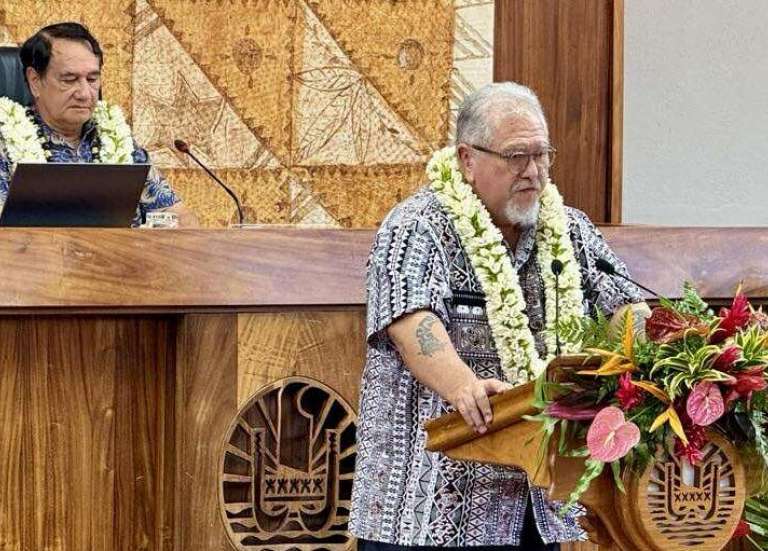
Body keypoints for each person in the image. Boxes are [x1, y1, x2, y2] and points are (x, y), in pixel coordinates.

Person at [349, 82, 644, 550]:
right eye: (516, 156)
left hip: (538, 503)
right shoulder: (416, 226)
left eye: (542, 154)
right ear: (467, 159)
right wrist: (463, 385)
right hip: (428, 506)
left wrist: (661, 364)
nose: (533, 172)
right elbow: (412, 325)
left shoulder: (571, 229)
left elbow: (624, 306)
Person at [0, 22, 197, 227]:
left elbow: (182, 217)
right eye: (70, 79)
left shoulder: (118, 141)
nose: (85, 94)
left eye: (92, 79)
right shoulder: (5, 145)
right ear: (35, 81)